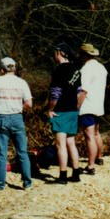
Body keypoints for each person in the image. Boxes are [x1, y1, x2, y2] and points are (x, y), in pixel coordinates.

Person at [0, 57, 33, 191]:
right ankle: (27, 183)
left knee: (2, 153)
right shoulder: (22, 82)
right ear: (14, 68)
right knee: (22, 152)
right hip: (17, 118)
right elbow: (29, 103)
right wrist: (20, 109)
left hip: (1, 117)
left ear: (2, 69)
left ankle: (0, 184)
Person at [47, 43, 82, 184]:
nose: (54, 55)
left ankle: (62, 176)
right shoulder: (76, 70)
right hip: (73, 110)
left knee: (60, 145)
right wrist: (76, 108)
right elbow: (79, 92)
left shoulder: (58, 70)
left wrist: (49, 109)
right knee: (71, 143)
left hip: (60, 111)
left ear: (59, 53)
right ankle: (76, 174)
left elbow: (55, 93)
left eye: (55, 52)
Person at [77, 43, 108, 175]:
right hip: (98, 104)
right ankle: (99, 157)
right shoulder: (102, 68)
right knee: (96, 133)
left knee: (89, 136)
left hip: (88, 105)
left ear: (84, 55)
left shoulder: (86, 69)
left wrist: (76, 106)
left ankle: (90, 166)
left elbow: (83, 90)